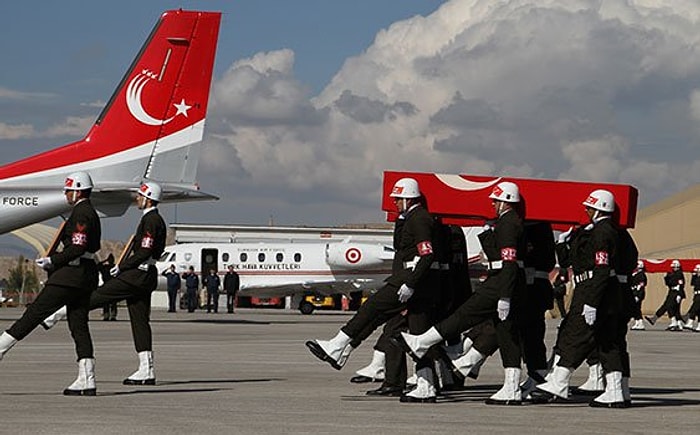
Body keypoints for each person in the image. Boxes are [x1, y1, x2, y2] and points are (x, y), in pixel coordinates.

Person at [391, 181, 527, 405]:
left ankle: (422, 341)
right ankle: (512, 388)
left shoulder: (508, 224)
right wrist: (487, 233)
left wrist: (504, 295)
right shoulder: (506, 223)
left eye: (496, 200)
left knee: (464, 315)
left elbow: (509, 262)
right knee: (506, 334)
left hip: (501, 281)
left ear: (506, 202)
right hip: (504, 280)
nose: (492, 203)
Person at [305, 177, 440, 403]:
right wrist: (400, 220)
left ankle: (338, 345)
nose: (396, 202)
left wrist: (411, 283)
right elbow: (401, 246)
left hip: (409, 280)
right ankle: (426, 385)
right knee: (417, 336)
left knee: (372, 307)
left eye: (399, 199)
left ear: (409, 198)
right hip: (407, 279)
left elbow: (427, 254)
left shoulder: (420, 219)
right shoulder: (410, 218)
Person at [0, 171, 101, 396]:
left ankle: (1, 348)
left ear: (78, 190)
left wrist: (52, 261)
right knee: (79, 325)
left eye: (68, 189)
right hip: (84, 277)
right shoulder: (86, 212)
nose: (66, 193)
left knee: (34, 313)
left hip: (71, 276)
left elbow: (77, 247)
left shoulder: (81, 213)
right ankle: (87, 378)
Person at [532, 189, 625, 408]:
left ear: (599, 208)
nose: (586, 209)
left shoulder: (603, 232)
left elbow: (602, 270)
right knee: (608, 345)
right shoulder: (595, 231)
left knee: (577, 336)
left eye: (589, 206)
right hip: (593, 288)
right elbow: (570, 263)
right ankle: (615, 391)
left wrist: (592, 302)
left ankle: (560, 380)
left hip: (595, 290)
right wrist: (562, 244)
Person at [645, 260, 685, 330]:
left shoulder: (679, 274)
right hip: (671, 292)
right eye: (673, 267)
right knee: (669, 306)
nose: (674, 268)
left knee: (670, 306)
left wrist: (679, 295)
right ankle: (655, 318)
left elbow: (681, 284)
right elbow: (668, 284)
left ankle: (674, 322)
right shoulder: (672, 274)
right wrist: (666, 277)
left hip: (676, 292)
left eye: (676, 266)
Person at [98, 254, 118, 321]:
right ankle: (110, 315)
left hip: (110, 285)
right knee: (110, 302)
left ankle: (110, 315)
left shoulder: (110, 267)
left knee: (109, 302)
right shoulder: (112, 267)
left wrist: (104, 261)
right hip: (110, 284)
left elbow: (98, 265)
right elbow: (97, 266)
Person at [629, 261, 647, 330]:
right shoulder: (635, 274)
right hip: (634, 292)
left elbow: (641, 286)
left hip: (638, 294)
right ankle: (637, 322)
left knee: (637, 308)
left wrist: (638, 295)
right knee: (635, 308)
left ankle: (640, 322)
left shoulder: (641, 275)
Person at [682, 264, 700, 331]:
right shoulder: (696, 277)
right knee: (698, 311)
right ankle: (698, 326)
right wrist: (694, 275)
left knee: (694, 309)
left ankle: (690, 323)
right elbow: (692, 284)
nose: (697, 270)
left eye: (698, 269)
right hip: (696, 295)